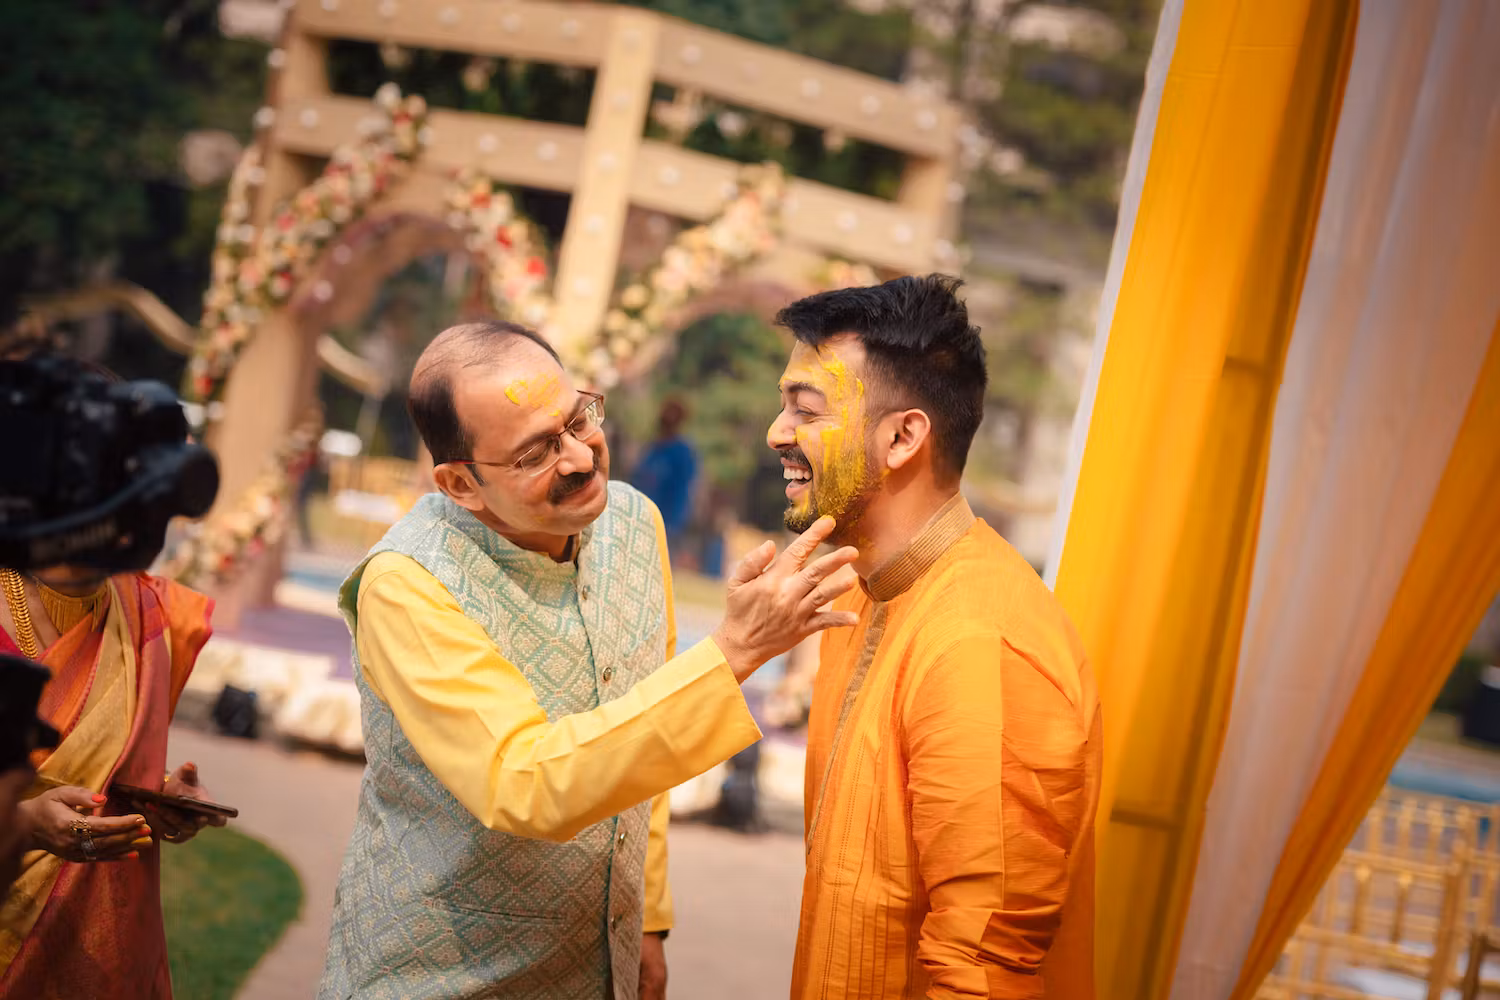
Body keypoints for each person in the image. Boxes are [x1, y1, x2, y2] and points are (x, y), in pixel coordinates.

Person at [320, 321, 859, 1000]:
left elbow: (646, 739)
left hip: (594, 965)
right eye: (535, 453)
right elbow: (523, 781)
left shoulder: (633, 523)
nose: (578, 457)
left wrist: (648, 924)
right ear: (460, 483)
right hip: (438, 976)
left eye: (578, 419)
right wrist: (736, 652)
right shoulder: (407, 584)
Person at [768, 275, 1102, 1000]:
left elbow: (983, 968)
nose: (777, 432)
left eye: (805, 408)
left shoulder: (980, 640)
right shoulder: (863, 591)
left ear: (903, 437)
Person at [0, 563, 222, 998]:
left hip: (100, 947)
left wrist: (155, 791)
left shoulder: (143, 607)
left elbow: (99, 752)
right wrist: (24, 825)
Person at [630, 399, 699, 563]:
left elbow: (685, 487)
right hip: (642, 515)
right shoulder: (652, 448)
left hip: (668, 519)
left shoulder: (682, 452)